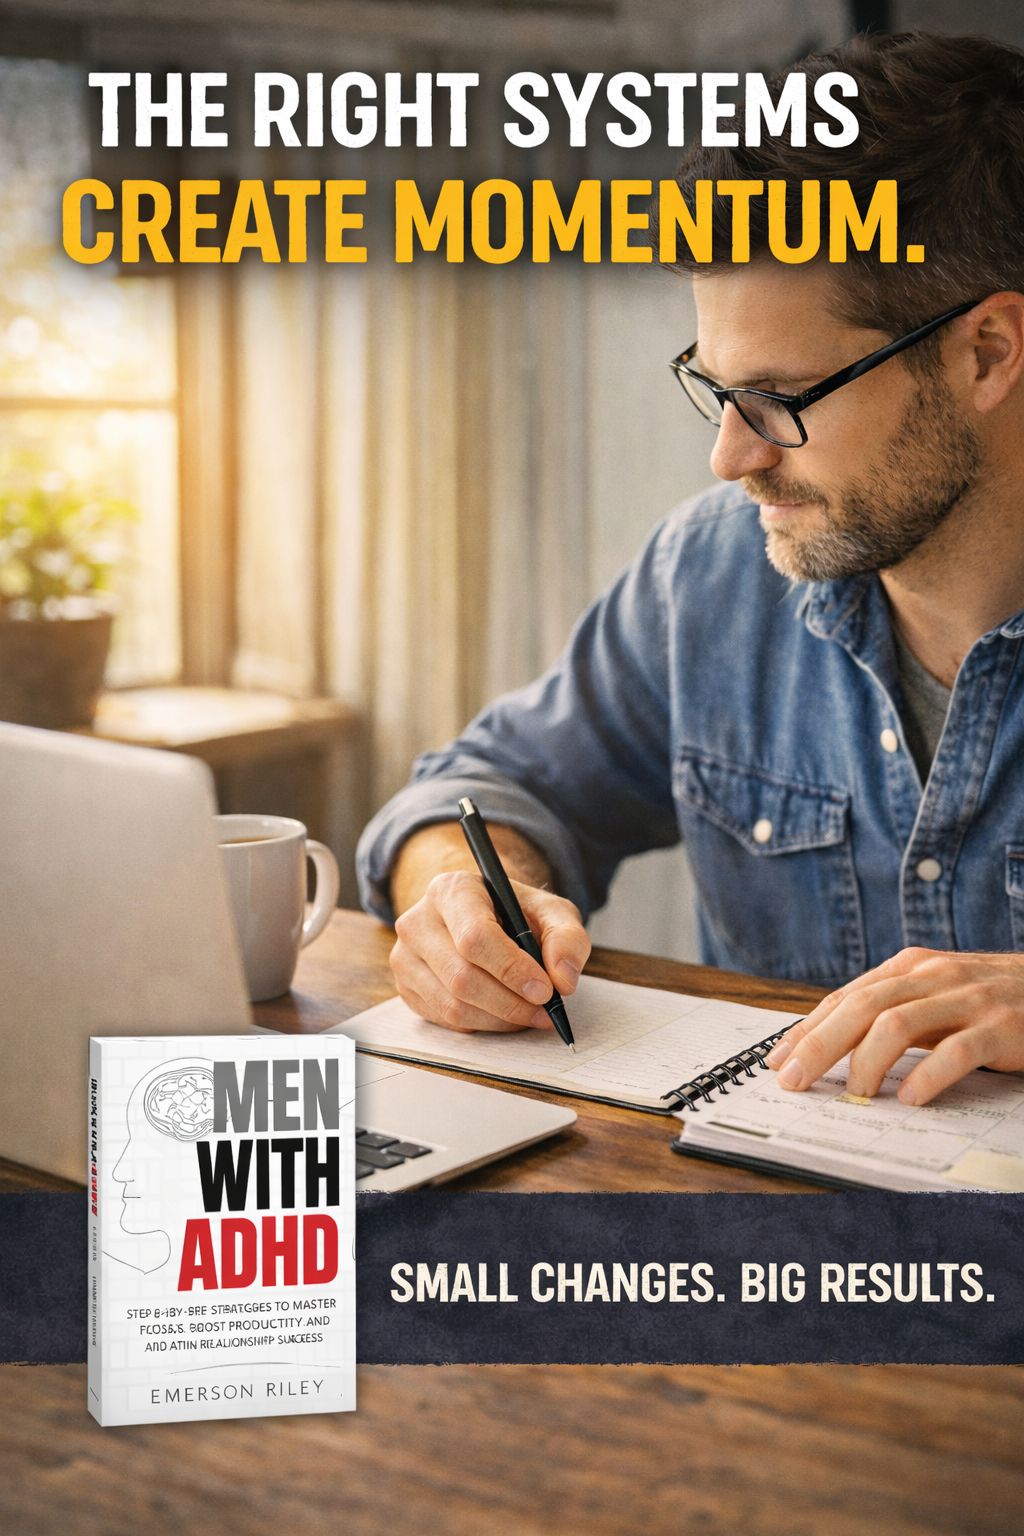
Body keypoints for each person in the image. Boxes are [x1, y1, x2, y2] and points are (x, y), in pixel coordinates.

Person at [357, 32, 1024, 1111]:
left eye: (782, 398)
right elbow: (488, 788)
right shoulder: (709, 575)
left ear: (984, 352)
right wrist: (459, 898)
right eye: (713, 387)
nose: (731, 456)